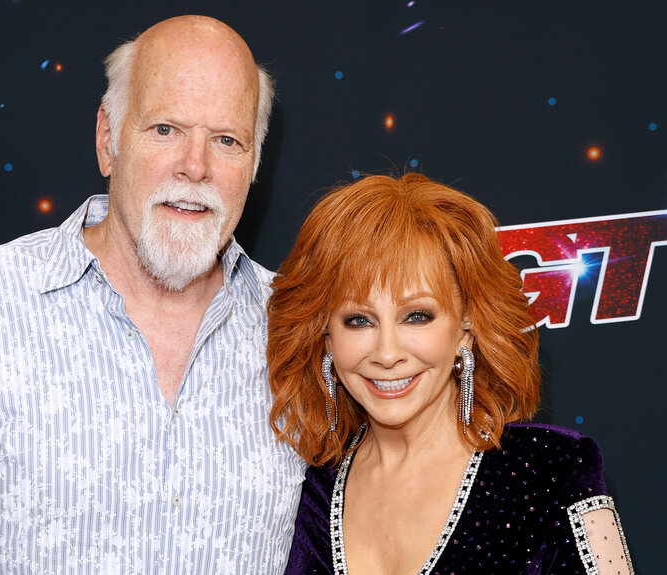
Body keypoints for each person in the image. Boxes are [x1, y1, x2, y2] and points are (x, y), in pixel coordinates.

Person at [0, 16, 306, 574]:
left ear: (254, 164)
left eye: (226, 140)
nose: (195, 166)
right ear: (107, 138)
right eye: (165, 129)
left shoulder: (303, 331)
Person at [268, 173, 634, 574]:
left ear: (467, 328)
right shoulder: (309, 493)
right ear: (326, 337)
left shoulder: (550, 472)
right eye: (358, 320)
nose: (387, 353)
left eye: (417, 316)